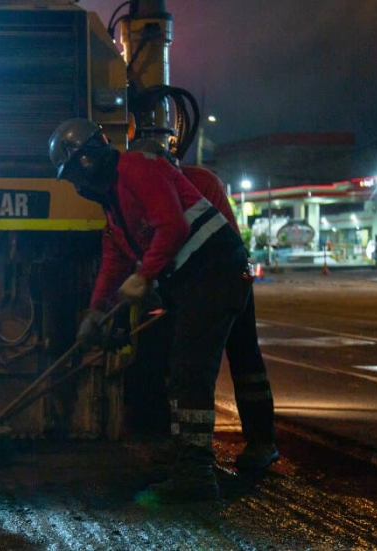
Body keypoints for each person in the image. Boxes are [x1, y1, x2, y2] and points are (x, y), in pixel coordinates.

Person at [49, 120, 251, 502]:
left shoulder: (137, 169)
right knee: (180, 370)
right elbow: (112, 262)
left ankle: (196, 473)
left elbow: (172, 226)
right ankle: (187, 461)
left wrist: (143, 276)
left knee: (191, 371)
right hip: (195, 281)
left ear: (87, 162)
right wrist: (95, 311)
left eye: (74, 175)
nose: (76, 186)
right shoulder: (113, 204)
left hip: (215, 272)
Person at [130, 139, 278, 473]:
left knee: (241, 360)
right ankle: (184, 445)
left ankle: (261, 442)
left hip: (226, 278)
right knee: (182, 364)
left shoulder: (202, 181)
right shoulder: (147, 186)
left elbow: (213, 242)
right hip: (191, 286)